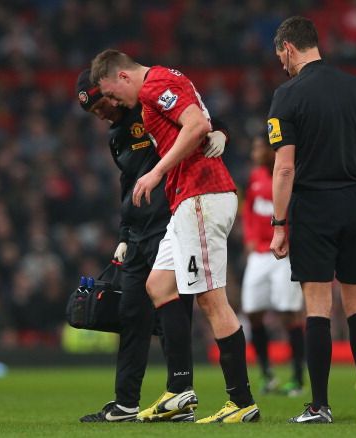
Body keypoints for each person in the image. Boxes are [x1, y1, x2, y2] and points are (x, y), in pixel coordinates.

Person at [90, 50, 259, 423]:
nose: (115, 103)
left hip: (200, 195)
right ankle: (179, 390)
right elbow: (203, 121)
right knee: (159, 285)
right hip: (186, 200)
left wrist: (155, 173)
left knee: (212, 301)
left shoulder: (154, 87)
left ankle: (242, 400)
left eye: (113, 95)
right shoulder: (166, 79)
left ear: (122, 76)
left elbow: (196, 124)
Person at [267, 16, 356, 424]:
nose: (281, 65)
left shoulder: (286, 95)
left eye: (280, 56)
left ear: (288, 47)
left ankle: (319, 406)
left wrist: (279, 224)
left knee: (318, 307)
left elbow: (284, 169)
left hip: (313, 206)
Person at [241, 135, 305, 396]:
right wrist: (248, 238)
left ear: (272, 151)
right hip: (258, 254)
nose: (255, 153)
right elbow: (247, 209)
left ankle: (298, 379)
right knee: (252, 311)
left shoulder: (290, 176)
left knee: (288, 313)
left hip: (284, 254)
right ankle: (267, 373)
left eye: (259, 148)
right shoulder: (255, 176)